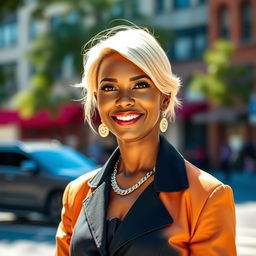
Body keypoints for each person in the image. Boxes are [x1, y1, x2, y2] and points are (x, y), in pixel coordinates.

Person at [55, 25, 236, 256]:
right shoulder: (76, 193)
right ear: (97, 99)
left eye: (140, 85)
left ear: (164, 98)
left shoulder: (208, 196)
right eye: (109, 87)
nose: (124, 100)